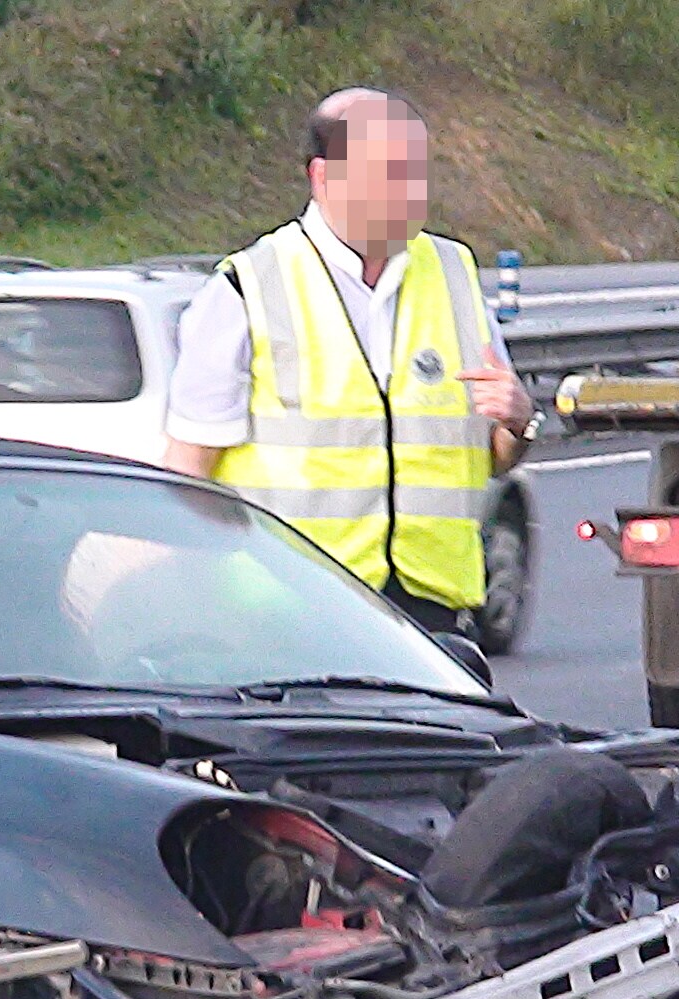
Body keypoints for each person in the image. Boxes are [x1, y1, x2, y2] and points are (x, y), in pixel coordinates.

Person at [162, 88, 539, 634]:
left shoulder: (455, 274)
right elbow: (188, 476)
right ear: (324, 176)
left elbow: (495, 457)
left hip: (432, 618)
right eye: (389, 172)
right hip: (288, 617)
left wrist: (519, 419)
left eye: (417, 171)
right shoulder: (248, 287)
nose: (411, 191)